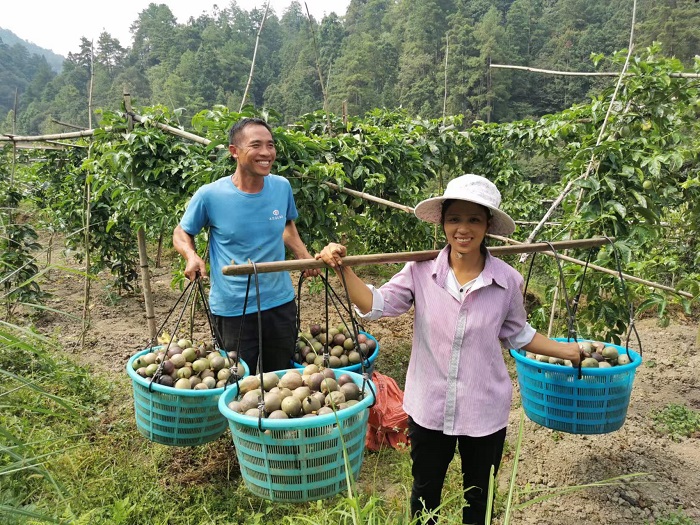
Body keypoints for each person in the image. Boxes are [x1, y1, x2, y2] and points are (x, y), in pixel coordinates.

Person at [316, 174, 582, 525]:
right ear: (442, 223)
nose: (463, 229)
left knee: (479, 497)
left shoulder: (506, 281)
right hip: (430, 406)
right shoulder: (421, 271)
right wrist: (341, 268)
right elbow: (375, 303)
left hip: (483, 407)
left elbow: (520, 334)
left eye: (474, 219)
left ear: (488, 225)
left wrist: (570, 352)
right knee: (425, 492)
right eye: (455, 218)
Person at [173, 117, 317, 375]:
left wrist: (303, 255)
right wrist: (190, 255)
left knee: (283, 379)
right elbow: (182, 231)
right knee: (237, 380)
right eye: (256, 145)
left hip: (280, 303)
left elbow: (287, 225)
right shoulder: (211, 195)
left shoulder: (281, 187)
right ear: (234, 152)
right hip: (233, 309)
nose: (266, 153)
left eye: (270, 145)